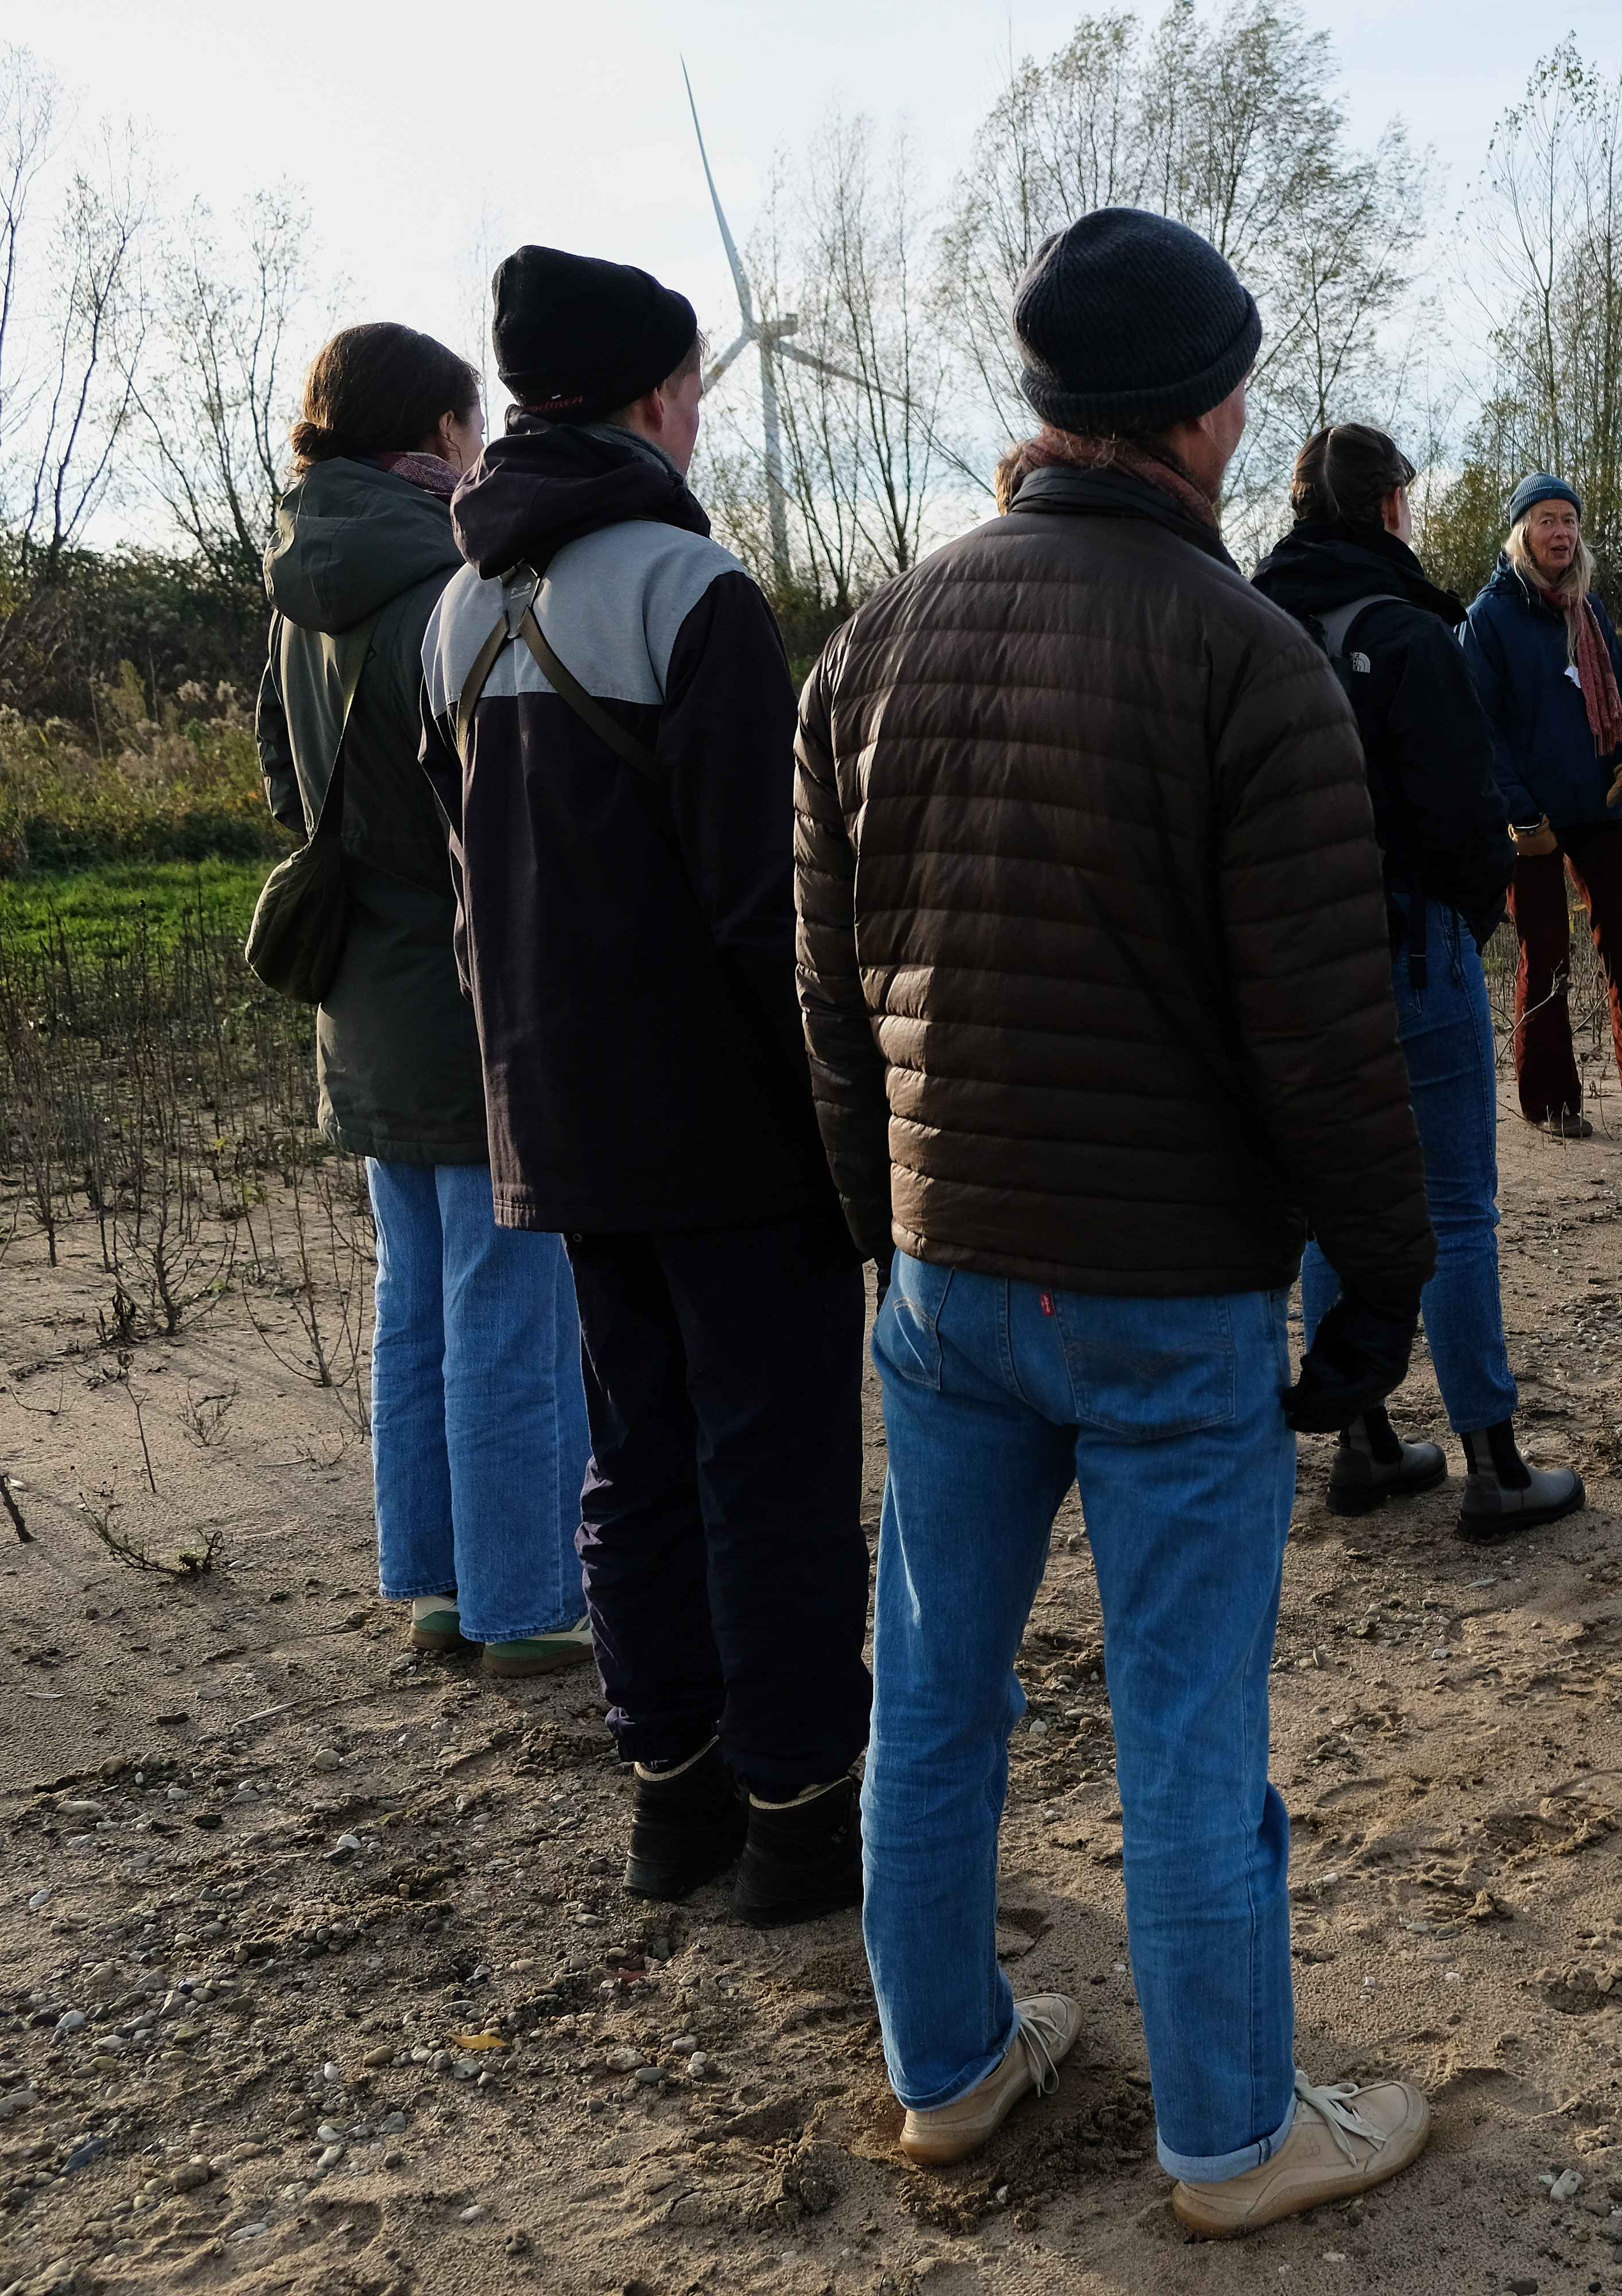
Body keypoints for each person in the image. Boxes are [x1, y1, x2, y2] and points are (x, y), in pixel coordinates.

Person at [797, 207, 1438, 2231]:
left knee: (936, 1698)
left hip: (946, 1269)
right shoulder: (1246, 663)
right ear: (1217, 409)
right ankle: (1233, 2135)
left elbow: (825, 997)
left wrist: (877, 1228)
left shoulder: (867, 645)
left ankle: (950, 2067)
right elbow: (1330, 1042)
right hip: (1164, 1298)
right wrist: (1383, 1283)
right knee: (1182, 1725)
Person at [421, 247, 870, 1926]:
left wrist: (523, 1086)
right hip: (732, 1140)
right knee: (770, 1468)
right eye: (693, 383)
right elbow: (774, 919)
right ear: (655, 397)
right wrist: (845, 1129)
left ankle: (669, 1798)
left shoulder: (453, 616)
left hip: (558, 1130)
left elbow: (461, 904)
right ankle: (801, 1815)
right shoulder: (692, 593)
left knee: (634, 1455)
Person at [257, 323, 588, 1681]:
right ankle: (525, 1600)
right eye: (470, 428)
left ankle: (439, 1584)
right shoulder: (452, 587)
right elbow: (498, 812)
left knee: (418, 1297)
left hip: (362, 998)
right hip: (464, 993)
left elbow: (289, 793)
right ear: (427, 440)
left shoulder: (296, 594)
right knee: (511, 1295)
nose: (481, 451)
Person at [1250, 424, 1586, 1536]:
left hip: (1291, 960)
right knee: (1454, 1205)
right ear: (1390, 505)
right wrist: (1479, 909)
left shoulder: (1250, 624)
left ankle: (1362, 1437)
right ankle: (1493, 1460)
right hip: (1408, 942)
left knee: (1327, 1199)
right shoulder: (1408, 631)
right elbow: (1460, 808)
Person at [1460, 475, 1622, 1138]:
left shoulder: (1589, 611)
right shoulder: (1489, 619)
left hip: (1596, 808)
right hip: (1530, 822)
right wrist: (1521, 814)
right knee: (1547, 957)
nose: (1561, 532)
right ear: (1522, 533)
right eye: (1546, 520)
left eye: (1569, 520)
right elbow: (1482, 727)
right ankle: (1550, 1100)